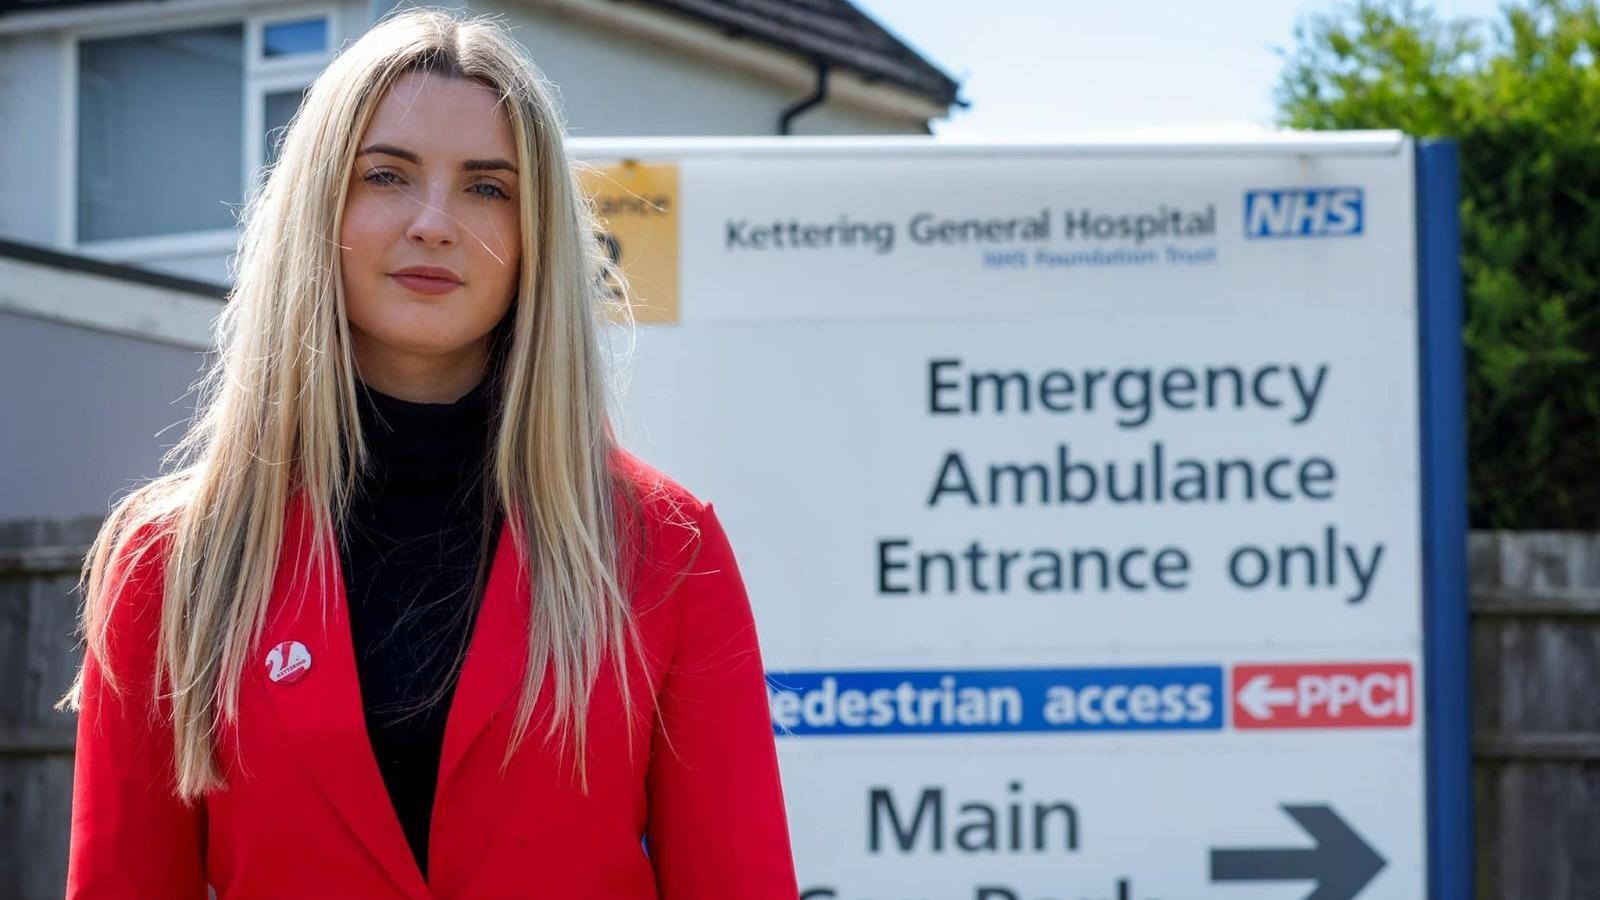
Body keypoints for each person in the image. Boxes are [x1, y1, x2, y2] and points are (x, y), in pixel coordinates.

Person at [59, 8, 798, 898]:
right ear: (317, 207)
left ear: (536, 239)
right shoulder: (171, 562)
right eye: (387, 175)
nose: (436, 223)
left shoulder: (668, 551)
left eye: (488, 187)